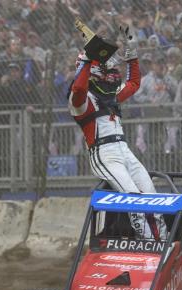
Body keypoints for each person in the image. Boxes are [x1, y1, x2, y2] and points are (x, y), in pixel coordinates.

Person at [68, 26, 166, 241]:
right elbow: (78, 90)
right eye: (105, 68)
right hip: (104, 154)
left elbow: (133, 83)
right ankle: (149, 245)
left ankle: (162, 242)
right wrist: (87, 58)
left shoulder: (110, 96)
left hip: (124, 151)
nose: (111, 72)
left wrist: (132, 53)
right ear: (93, 71)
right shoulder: (80, 100)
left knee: (151, 196)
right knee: (133, 199)